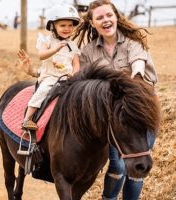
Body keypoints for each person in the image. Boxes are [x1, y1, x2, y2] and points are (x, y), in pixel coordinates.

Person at [74, 0, 158, 199]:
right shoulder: (88, 52)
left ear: (116, 17)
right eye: (99, 17)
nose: (106, 20)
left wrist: (135, 75)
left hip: (140, 115)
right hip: (114, 120)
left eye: (109, 15)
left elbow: (138, 62)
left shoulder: (132, 42)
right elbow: (83, 82)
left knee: (137, 169)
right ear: (92, 23)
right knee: (118, 165)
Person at [18, 4, 81, 131]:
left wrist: (75, 74)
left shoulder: (72, 45)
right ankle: (28, 118)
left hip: (68, 78)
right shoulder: (46, 41)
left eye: (70, 25)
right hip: (51, 76)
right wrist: (55, 49)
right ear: (53, 26)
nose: (67, 28)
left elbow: (76, 63)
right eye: (62, 25)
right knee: (43, 91)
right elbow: (41, 55)